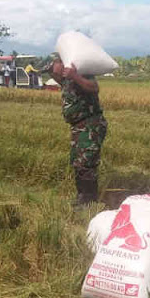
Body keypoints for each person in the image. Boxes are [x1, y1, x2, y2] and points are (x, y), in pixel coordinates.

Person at [45, 56, 107, 205]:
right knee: (78, 162)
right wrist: (57, 75)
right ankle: (82, 197)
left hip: (90, 124)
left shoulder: (80, 73)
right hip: (79, 127)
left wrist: (74, 75)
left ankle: (89, 202)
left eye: (53, 67)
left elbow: (94, 87)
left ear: (61, 62)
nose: (53, 72)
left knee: (86, 163)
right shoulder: (67, 79)